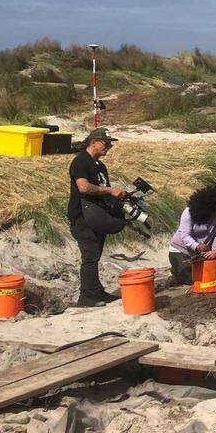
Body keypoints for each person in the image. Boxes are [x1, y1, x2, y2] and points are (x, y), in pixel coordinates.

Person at [67, 128, 126, 306]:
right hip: (82, 216)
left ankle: (96, 291)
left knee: (95, 254)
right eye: (106, 143)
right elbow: (84, 187)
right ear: (94, 142)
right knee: (90, 255)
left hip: (97, 215)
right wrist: (110, 190)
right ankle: (87, 296)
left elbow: (101, 190)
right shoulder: (80, 161)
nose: (109, 147)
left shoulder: (100, 166)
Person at [168, 188, 216, 285]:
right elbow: (185, 235)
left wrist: (215, 253)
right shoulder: (188, 213)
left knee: (211, 275)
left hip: (198, 254)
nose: (215, 215)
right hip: (180, 250)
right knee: (192, 279)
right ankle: (175, 274)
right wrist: (197, 246)